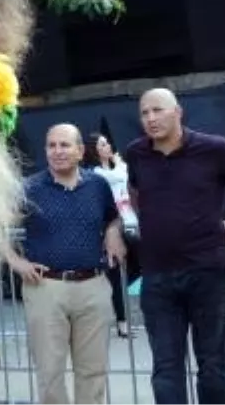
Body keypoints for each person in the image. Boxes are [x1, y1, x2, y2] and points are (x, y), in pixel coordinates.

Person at [126, 87, 225, 405]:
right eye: (144, 113)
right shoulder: (136, 153)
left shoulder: (212, 148)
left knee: (212, 366)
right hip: (157, 277)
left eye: (158, 110)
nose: (150, 118)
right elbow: (134, 189)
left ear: (178, 112)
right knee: (165, 369)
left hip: (207, 273)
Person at [5, 124, 125, 405]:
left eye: (64, 145)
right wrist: (16, 262)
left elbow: (113, 216)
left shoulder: (97, 185)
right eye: (51, 145)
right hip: (46, 288)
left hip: (93, 286)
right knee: (50, 373)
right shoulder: (29, 188)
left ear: (81, 151)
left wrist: (113, 230)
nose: (57, 151)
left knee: (93, 372)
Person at [92, 132, 140, 337]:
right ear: (95, 150)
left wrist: (118, 163)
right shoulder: (96, 174)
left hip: (132, 221)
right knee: (115, 272)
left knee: (134, 268)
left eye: (108, 143)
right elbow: (118, 177)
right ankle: (122, 323)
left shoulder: (119, 168)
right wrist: (119, 164)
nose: (108, 147)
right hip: (112, 226)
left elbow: (128, 178)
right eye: (102, 144)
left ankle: (114, 295)